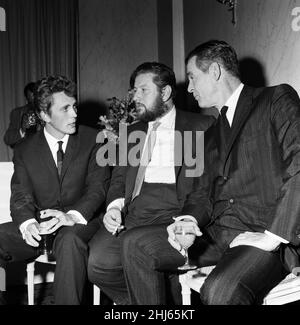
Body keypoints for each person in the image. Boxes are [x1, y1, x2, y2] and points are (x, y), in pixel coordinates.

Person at [121, 40, 300, 305]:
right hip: (218, 235)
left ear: (215, 71)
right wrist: (188, 221)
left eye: (193, 77)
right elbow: (201, 192)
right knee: (134, 244)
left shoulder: (274, 99)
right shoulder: (209, 135)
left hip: (265, 236)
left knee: (218, 291)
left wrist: (273, 236)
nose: (189, 88)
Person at [87, 62, 214, 305]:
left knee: (142, 255)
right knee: (98, 264)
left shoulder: (200, 127)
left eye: (143, 90)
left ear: (165, 93)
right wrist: (114, 207)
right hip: (134, 214)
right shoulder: (131, 132)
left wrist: (189, 218)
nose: (136, 97)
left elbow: (205, 186)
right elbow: (120, 178)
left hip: (174, 216)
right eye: (134, 91)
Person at [0, 75, 110, 305]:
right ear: (44, 115)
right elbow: (20, 194)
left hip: (80, 222)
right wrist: (27, 223)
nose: (75, 114)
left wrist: (70, 216)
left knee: (69, 241)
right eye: (65, 108)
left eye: (75, 106)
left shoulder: (94, 139)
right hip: (43, 226)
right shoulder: (25, 150)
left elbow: (98, 188)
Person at [4, 82, 41, 148]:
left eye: (36, 100)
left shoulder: (47, 112)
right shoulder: (18, 113)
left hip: (43, 154)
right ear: (27, 99)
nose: (34, 104)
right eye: (30, 101)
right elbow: (8, 139)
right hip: (24, 154)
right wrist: (22, 130)